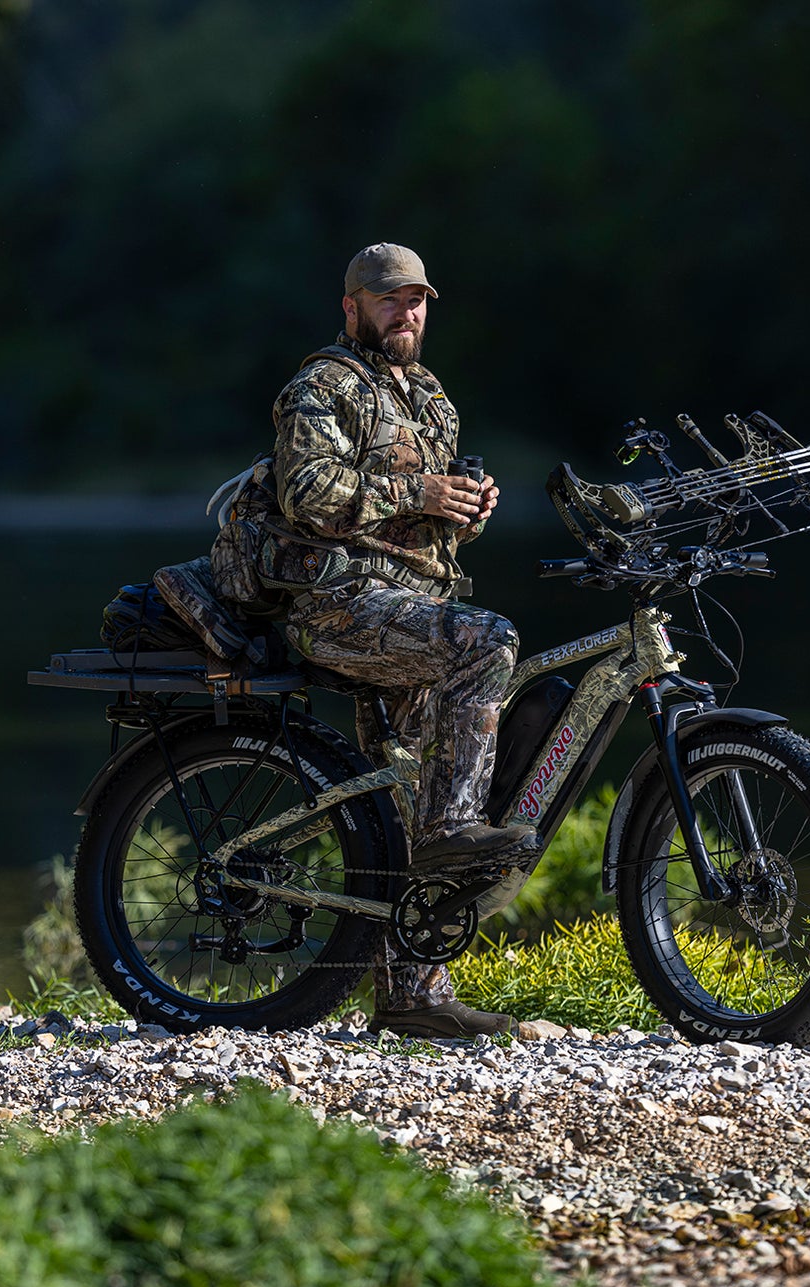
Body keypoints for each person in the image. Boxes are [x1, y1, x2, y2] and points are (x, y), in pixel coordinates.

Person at [272, 242, 535, 1039]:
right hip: (338, 603)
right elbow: (307, 493)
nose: (406, 312)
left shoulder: (428, 395)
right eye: (389, 299)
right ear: (351, 307)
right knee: (489, 641)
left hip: (412, 608)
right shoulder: (320, 385)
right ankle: (458, 833)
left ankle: (413, 999)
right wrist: (418, 489)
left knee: (403, 796)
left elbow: (418, 523)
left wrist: (464, 507)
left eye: (416, 299)